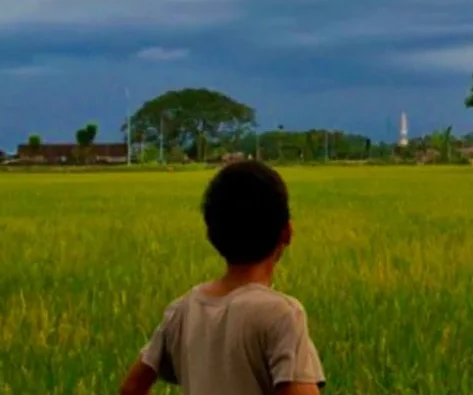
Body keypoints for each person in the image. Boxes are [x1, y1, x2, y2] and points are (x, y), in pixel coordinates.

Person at [119, 160, 325, 395]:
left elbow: (131, 387)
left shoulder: (182, 310)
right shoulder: (282, 314)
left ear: (211, 234)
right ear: (287, 233)